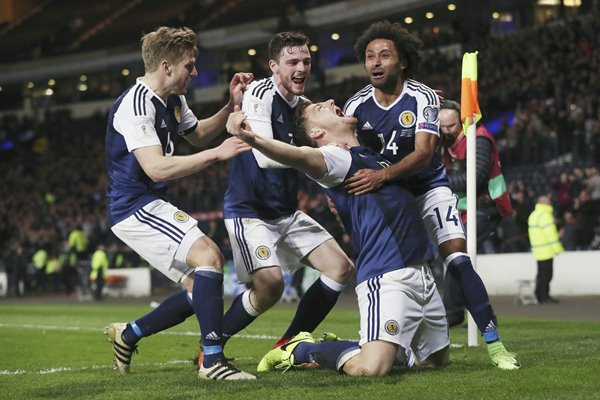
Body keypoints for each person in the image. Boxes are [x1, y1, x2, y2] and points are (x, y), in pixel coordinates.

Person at [342, 21, 519, 370]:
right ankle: (379, 345)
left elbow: (424, 153)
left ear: (402, 61)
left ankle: (495, 344)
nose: (375, 63)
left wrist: (381, 175)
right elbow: (341, 149)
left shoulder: (422, 97)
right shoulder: (356, 104)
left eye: (384, 55)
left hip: (426, 188)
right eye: (369, 57)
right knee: (387, 271)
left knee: (457, 258)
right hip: (389, 196)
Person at [226, 99, 449, 376]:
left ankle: (379, 346)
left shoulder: (368, 154)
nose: (332, 101)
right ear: (318, 133)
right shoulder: (335, 157)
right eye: (321, 108)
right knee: (371, 369)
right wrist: (252, 138)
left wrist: (422, 99)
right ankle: (298, 350)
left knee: (434, 363)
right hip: (387, 276)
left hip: (422, 273)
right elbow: (300, 157)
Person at [105, 26, 255, 380]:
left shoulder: (172, 99)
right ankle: (213, 362)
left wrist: (231, 105)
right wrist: (218, 155)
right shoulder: (136, 105)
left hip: (148, 201)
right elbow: (156, 168)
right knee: (210, 257)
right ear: (167, 66)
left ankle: (128, 335)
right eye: (190, 65)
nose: (196, 72)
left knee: (199, 288)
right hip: (135, 205)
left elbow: (198, 132)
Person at [211, 31, 353, 361]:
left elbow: (321, 160)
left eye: (306, 61)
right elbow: (264, 156)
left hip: (286, 212)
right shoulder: (259, 92)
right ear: (274, 66)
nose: (301, 68)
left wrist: (331, 184)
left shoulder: (304, 107)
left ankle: (286, 345)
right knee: (271, 286)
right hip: (250, 211)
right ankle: (211, 347)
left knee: (340, 268)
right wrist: (319, 153)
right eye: (292, 62)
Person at [439, 99, 513, 326]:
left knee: (455, 255)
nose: (446, 131)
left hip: (486, 207)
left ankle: (453, 314)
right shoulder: (446, 142)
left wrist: (437, 182)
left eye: (450, 126)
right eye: (442, 127)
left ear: (462, 121)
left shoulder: (478, 139)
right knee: (456, 260)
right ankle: (482, 315)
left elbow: (476, 177)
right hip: (466, 210)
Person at [528, 195, 564, 304]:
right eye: (549, 201)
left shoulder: (533, 215)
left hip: (538, 249)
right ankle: (544, 297)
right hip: (546, 249)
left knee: (541, 274)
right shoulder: (545, 215)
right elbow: (551, 234)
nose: (550, 202)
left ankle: (539, 295)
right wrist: (557, 249)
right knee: (547, 275)